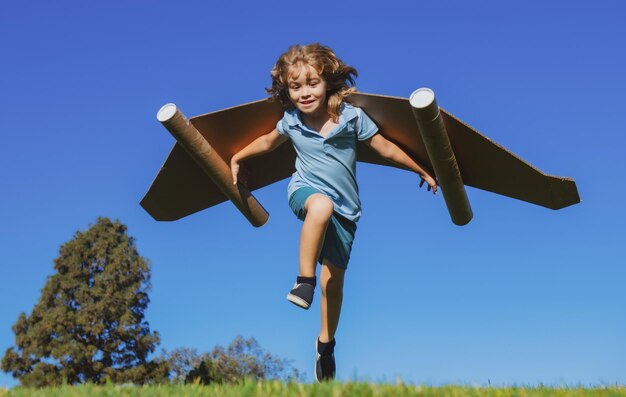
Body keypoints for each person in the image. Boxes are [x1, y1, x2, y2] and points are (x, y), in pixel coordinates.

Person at [230, 43, 437, 382]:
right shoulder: (292, 122)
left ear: (327, 82)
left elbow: (385, 148)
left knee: (335, 283)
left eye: (312, 84)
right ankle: (303, 281)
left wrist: (420, 169)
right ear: (286, 90)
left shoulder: (351, 118)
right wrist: (238, 157)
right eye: (295, 87)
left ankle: (325, 345)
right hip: (305, 192)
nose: (304, 93)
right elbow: (267, 142)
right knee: (320, 206)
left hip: (348, 211)